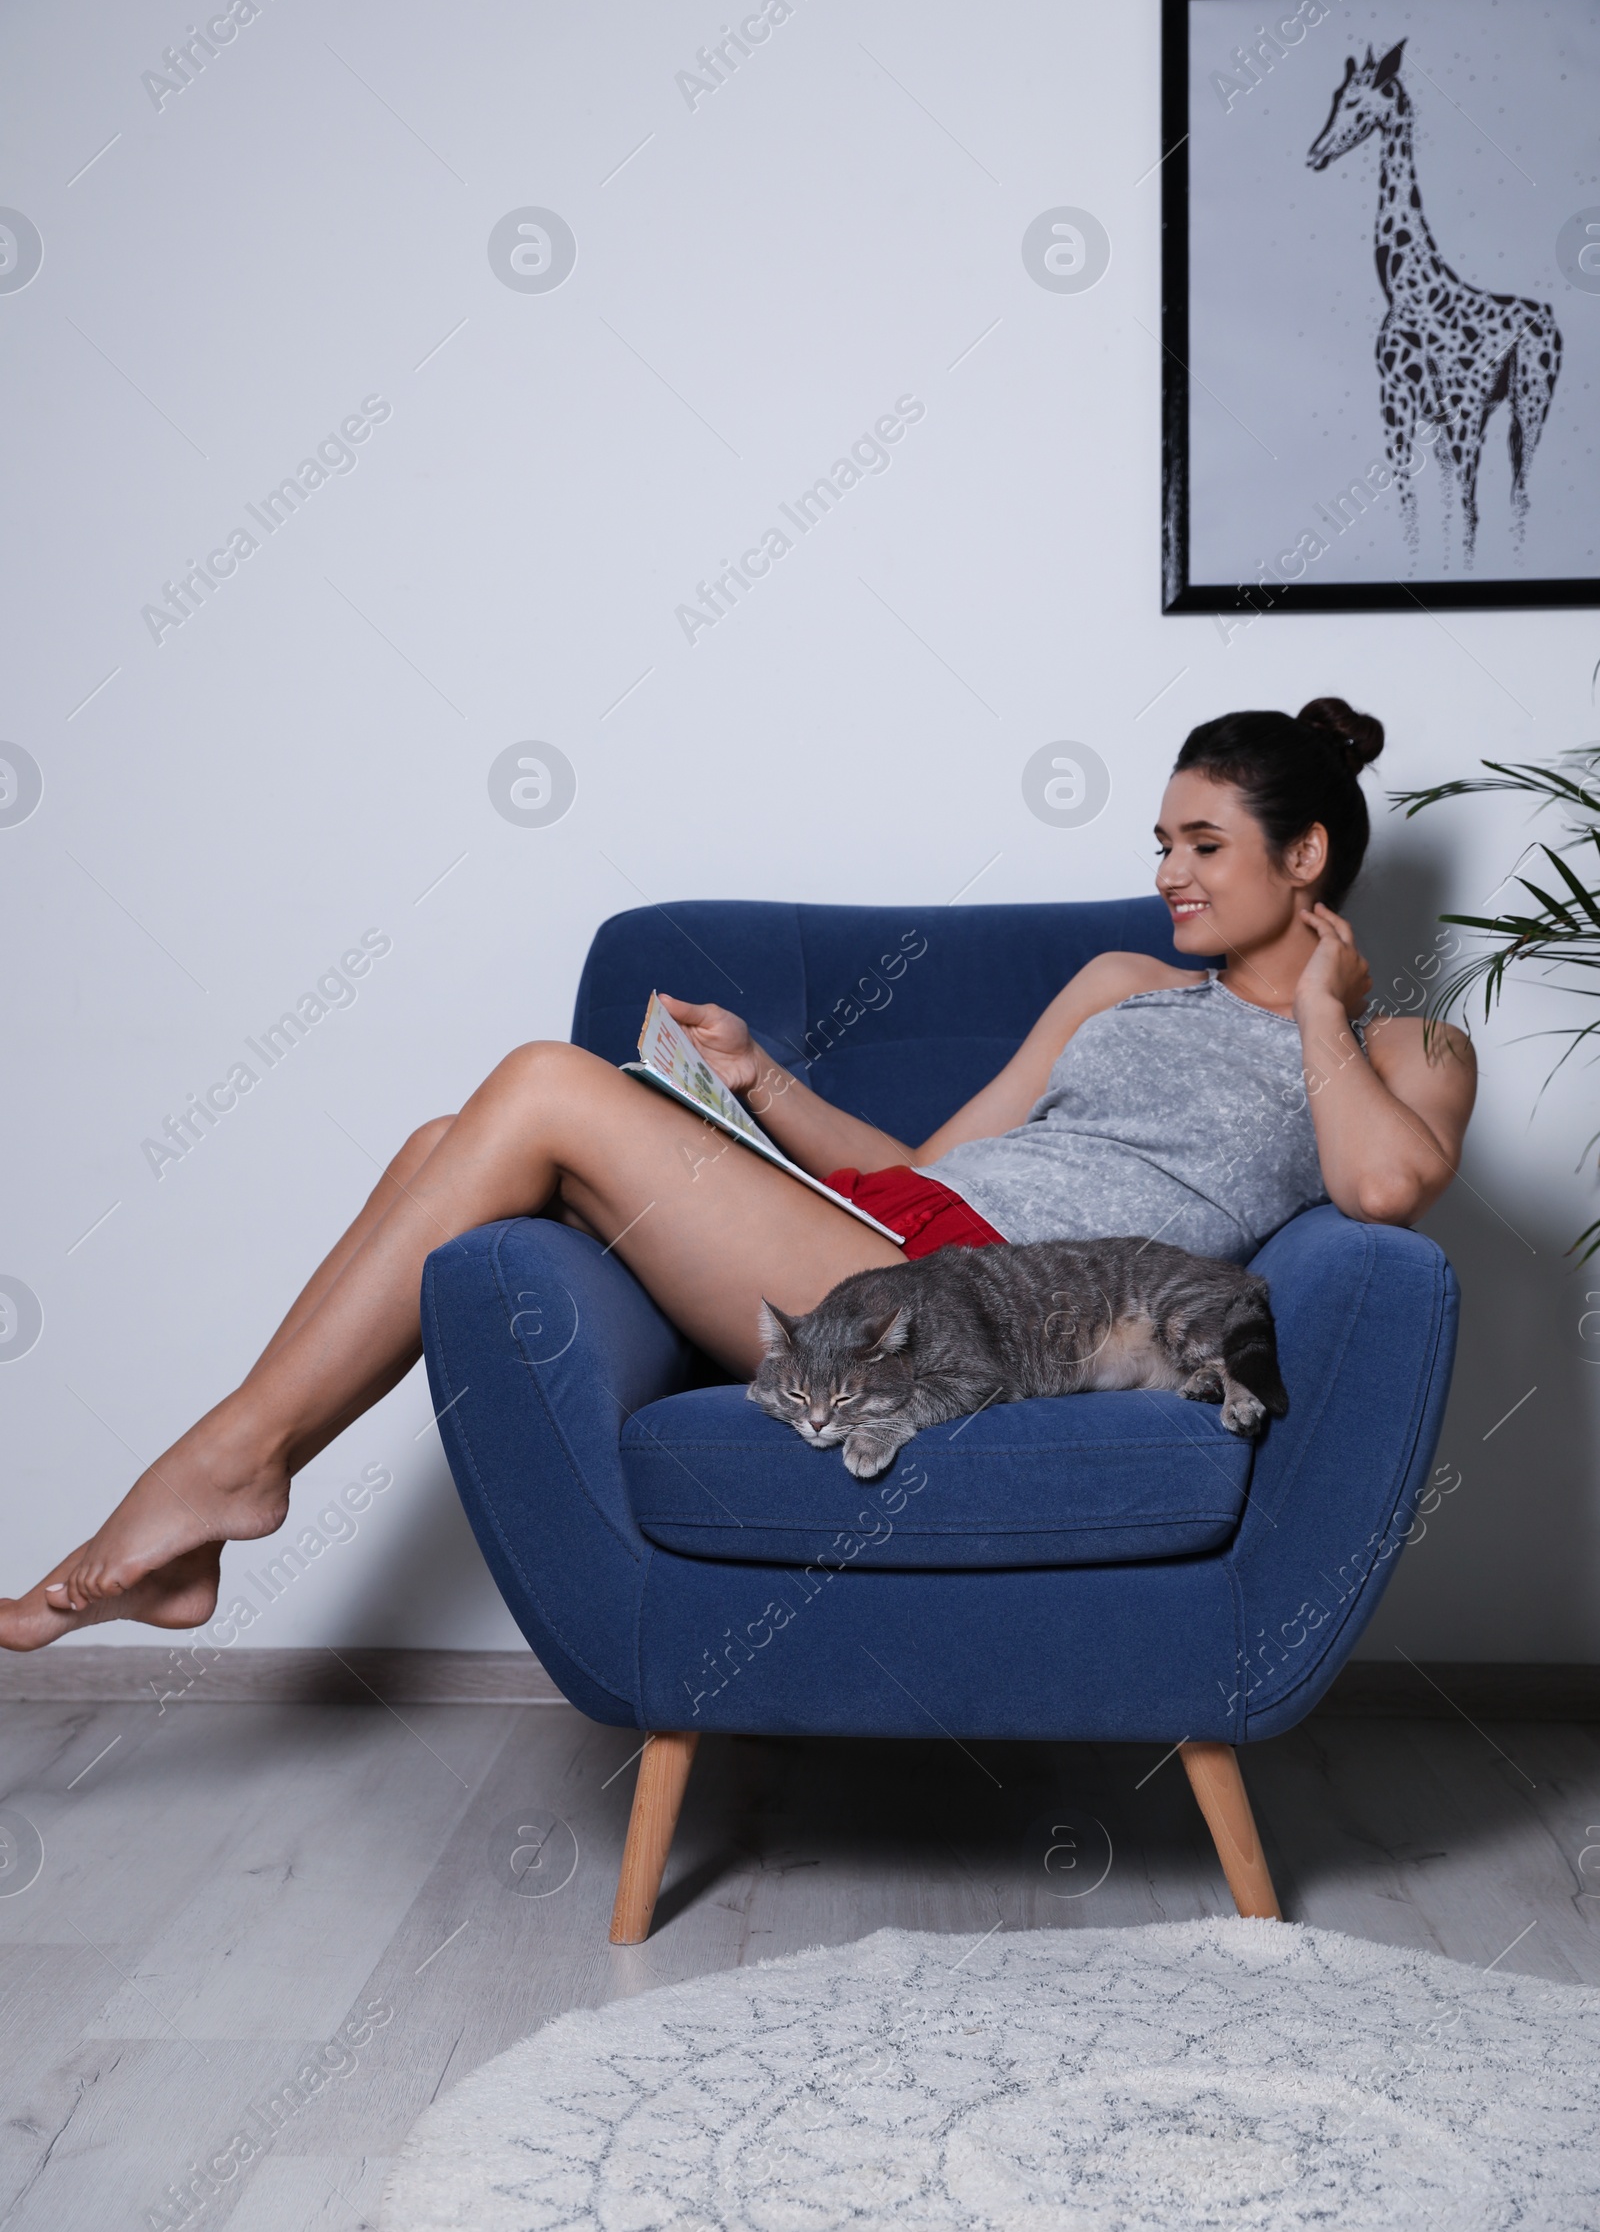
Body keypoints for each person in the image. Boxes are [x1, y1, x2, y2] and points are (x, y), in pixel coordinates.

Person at [0, 695, 1475, 1650]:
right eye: (1161, 840)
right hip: (895, 1230)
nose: (1167, 872)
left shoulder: (1402, 1050)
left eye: (1205, 844)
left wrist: (1320, 1017)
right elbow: (928, 1164)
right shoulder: (1110, 982)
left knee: (534, 1086)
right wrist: (764, 1082)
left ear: (1309, 859)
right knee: (442, 1148)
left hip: (980, 1312)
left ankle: (232, 1466)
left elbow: (1383, 1193)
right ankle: (229, 1495)